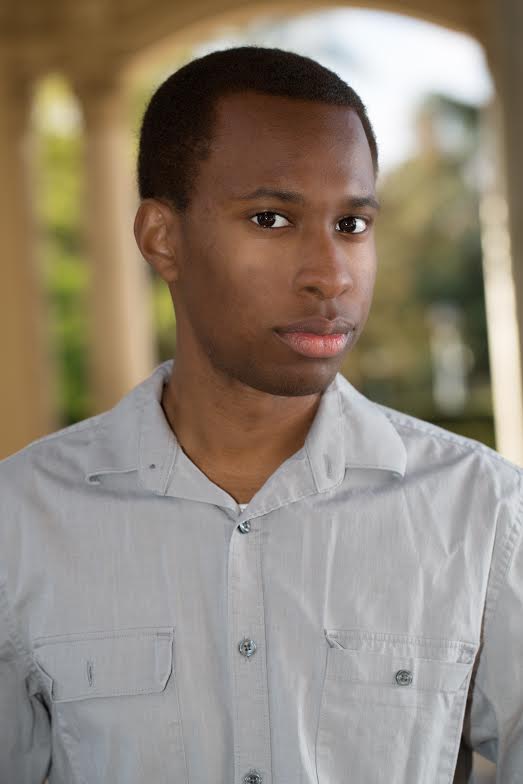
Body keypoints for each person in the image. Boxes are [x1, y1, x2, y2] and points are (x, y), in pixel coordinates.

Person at [0, 45, 521, 784]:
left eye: (351, 224)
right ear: (162, 238)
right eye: (271, 218)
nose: (329, 275)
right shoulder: (20, 520)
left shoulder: (486, 514)